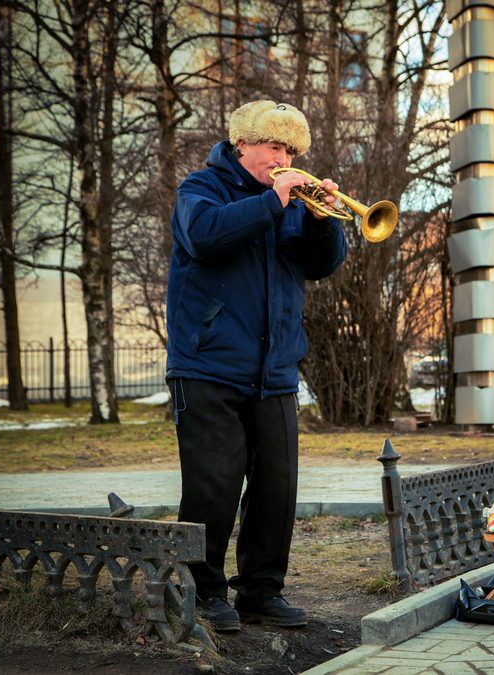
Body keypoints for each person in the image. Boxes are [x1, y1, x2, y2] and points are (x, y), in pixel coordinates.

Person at [166, 100, 347, 631]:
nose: (284, 157)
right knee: (212, 487)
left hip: (275, 371)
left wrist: (318, 221)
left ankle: (262, 591)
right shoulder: (200, 190)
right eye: (274, 146)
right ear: (241, 143)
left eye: (291, 149)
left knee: (276, 487)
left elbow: (321, 265)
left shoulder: (290, 202)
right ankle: (203, 593)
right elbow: (205, 236)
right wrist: (273, 201)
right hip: (207, 366)